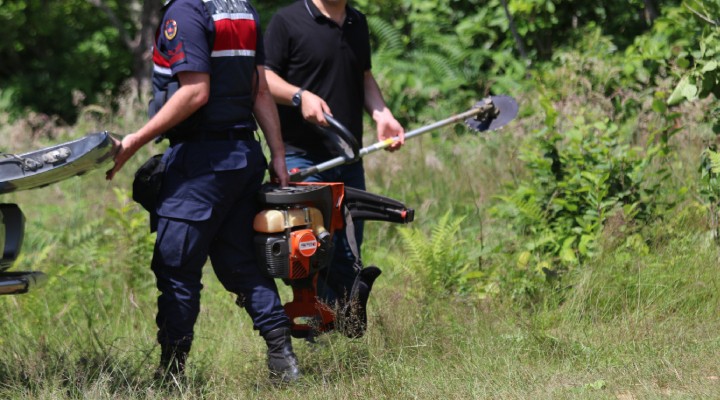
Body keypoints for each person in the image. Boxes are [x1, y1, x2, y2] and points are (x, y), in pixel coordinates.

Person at [106, 0, 300, 382]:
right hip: (243, 156)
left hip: (202, 164)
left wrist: (133, 142)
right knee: (241, 262)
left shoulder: (187, 11)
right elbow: (258, 88)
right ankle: (283, 359)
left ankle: (171, 375)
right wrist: (277, 154)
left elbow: (195, 92)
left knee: (176, 266)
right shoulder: (241, 7)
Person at [263, 0, 405, 329]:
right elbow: (263, 79)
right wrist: (300, 96)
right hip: (304, 157)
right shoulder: (287, 22)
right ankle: (313, 334)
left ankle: (340, 332)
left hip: (348, 157)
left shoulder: (357, 21)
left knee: (346, 251)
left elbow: (364, 77)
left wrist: (382, 114)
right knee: (308, 252)